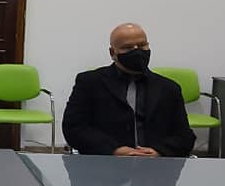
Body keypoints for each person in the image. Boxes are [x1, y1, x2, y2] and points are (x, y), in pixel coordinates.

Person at [62, 22, 195, 157]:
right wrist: (115, 150)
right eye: (128, 48)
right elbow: (74, 128)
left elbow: (185, 136)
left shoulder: (169, 88)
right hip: (106, 162)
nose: (137, 51)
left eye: (142, 45)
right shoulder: (90, 83)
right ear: (113, 53)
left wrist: (158, 151)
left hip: (155, 164)